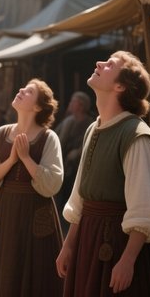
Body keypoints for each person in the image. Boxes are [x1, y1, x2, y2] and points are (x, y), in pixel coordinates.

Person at [56, 51, 150, 296]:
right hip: (88, 238)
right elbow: (81, 197)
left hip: (116, 245)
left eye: (109, 64)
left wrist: (128, 260)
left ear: (121, 86)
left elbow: (145, 207)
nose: (99, 63)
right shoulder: (93, 129)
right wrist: (68, 245)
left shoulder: (136, 136)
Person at [0, 80, 64, 297]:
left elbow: (52, 183)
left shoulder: (48, 137)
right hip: (7, 210)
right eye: (23, 89)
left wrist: (26, 159)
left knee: (36, 272)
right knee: (7, 269)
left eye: (29, 91)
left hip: (36, 211)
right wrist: (12, 159)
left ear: (37, 107)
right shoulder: (2, 133)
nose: (21, 91)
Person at [54, 91, 93, 221]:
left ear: (81, 105)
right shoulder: (67, 121)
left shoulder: (90, 123)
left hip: (80, 165)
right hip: (64, 162)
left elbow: (89, 143)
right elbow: (56, 139)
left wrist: (77, 152)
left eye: (73, 101)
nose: (70, 104)